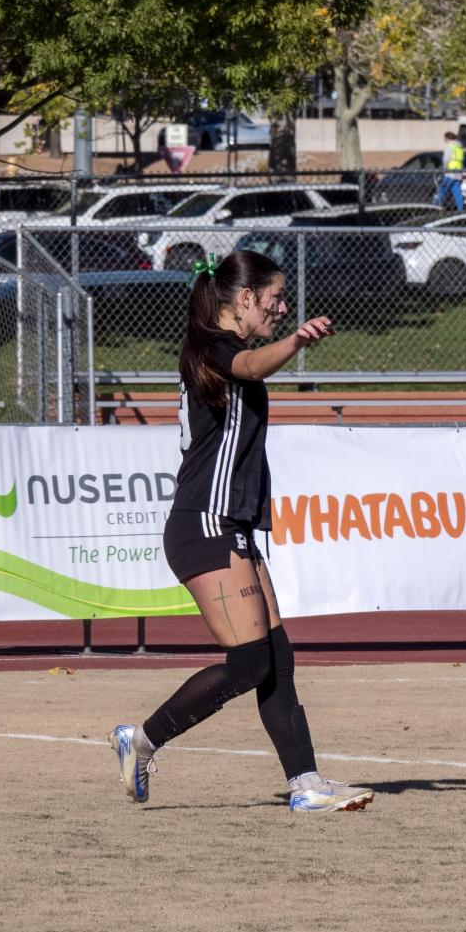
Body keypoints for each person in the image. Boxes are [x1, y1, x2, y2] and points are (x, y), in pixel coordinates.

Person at [111, 250, 373, 814]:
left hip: (230, 523)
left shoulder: (227, 347)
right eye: (275, 297)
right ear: (245, 297)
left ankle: (305, 784)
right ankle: (142, 740)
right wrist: (298, 342)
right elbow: (252, 368)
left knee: (276, 656)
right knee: (250, 662)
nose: (282, 307)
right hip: (204, 522)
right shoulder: (213, 346)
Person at [436, 125, 466, 211]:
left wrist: (443, 168)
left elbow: (446, 159)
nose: (445, 141)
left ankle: (436, 206)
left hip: (450, 172)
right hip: (458, 172)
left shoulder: (450, 146)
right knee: (456, 191)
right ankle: (460, 209)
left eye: (445, 139)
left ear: (447, 138)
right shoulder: (459, 147)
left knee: (442, 189)